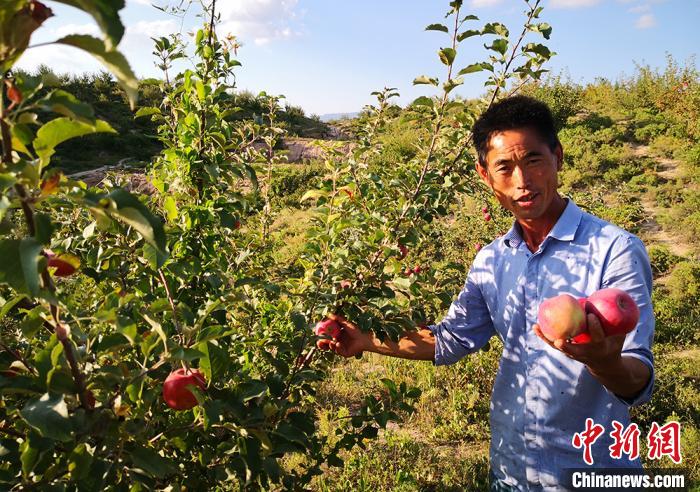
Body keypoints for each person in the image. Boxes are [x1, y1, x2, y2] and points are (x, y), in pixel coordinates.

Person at [326, 95, 655, 491]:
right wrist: (365, 339)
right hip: (511, 473)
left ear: (558, 157)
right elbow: (451, 338)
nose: (522, 181)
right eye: (505, 167)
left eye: (533, 160)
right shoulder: (492, 260)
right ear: (486, 176)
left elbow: (637, 381)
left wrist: (605, 363)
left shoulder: (614, 250)